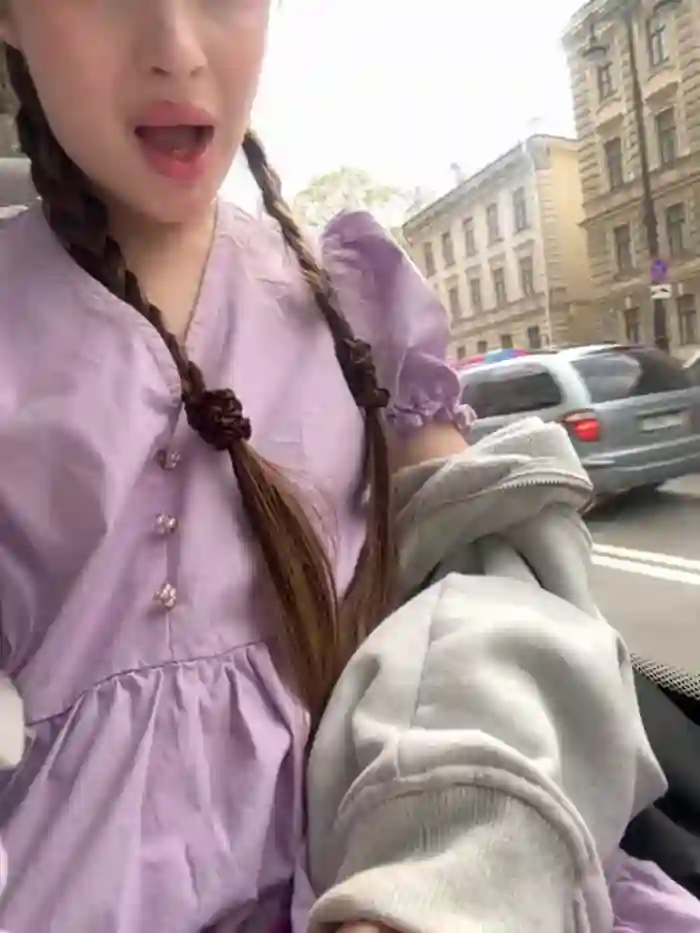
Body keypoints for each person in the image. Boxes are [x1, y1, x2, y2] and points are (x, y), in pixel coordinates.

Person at [0, 2, 685, 933]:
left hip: (381, 863)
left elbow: (485, 601)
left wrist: (428, 887)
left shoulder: (355, 305)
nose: (176, 51)